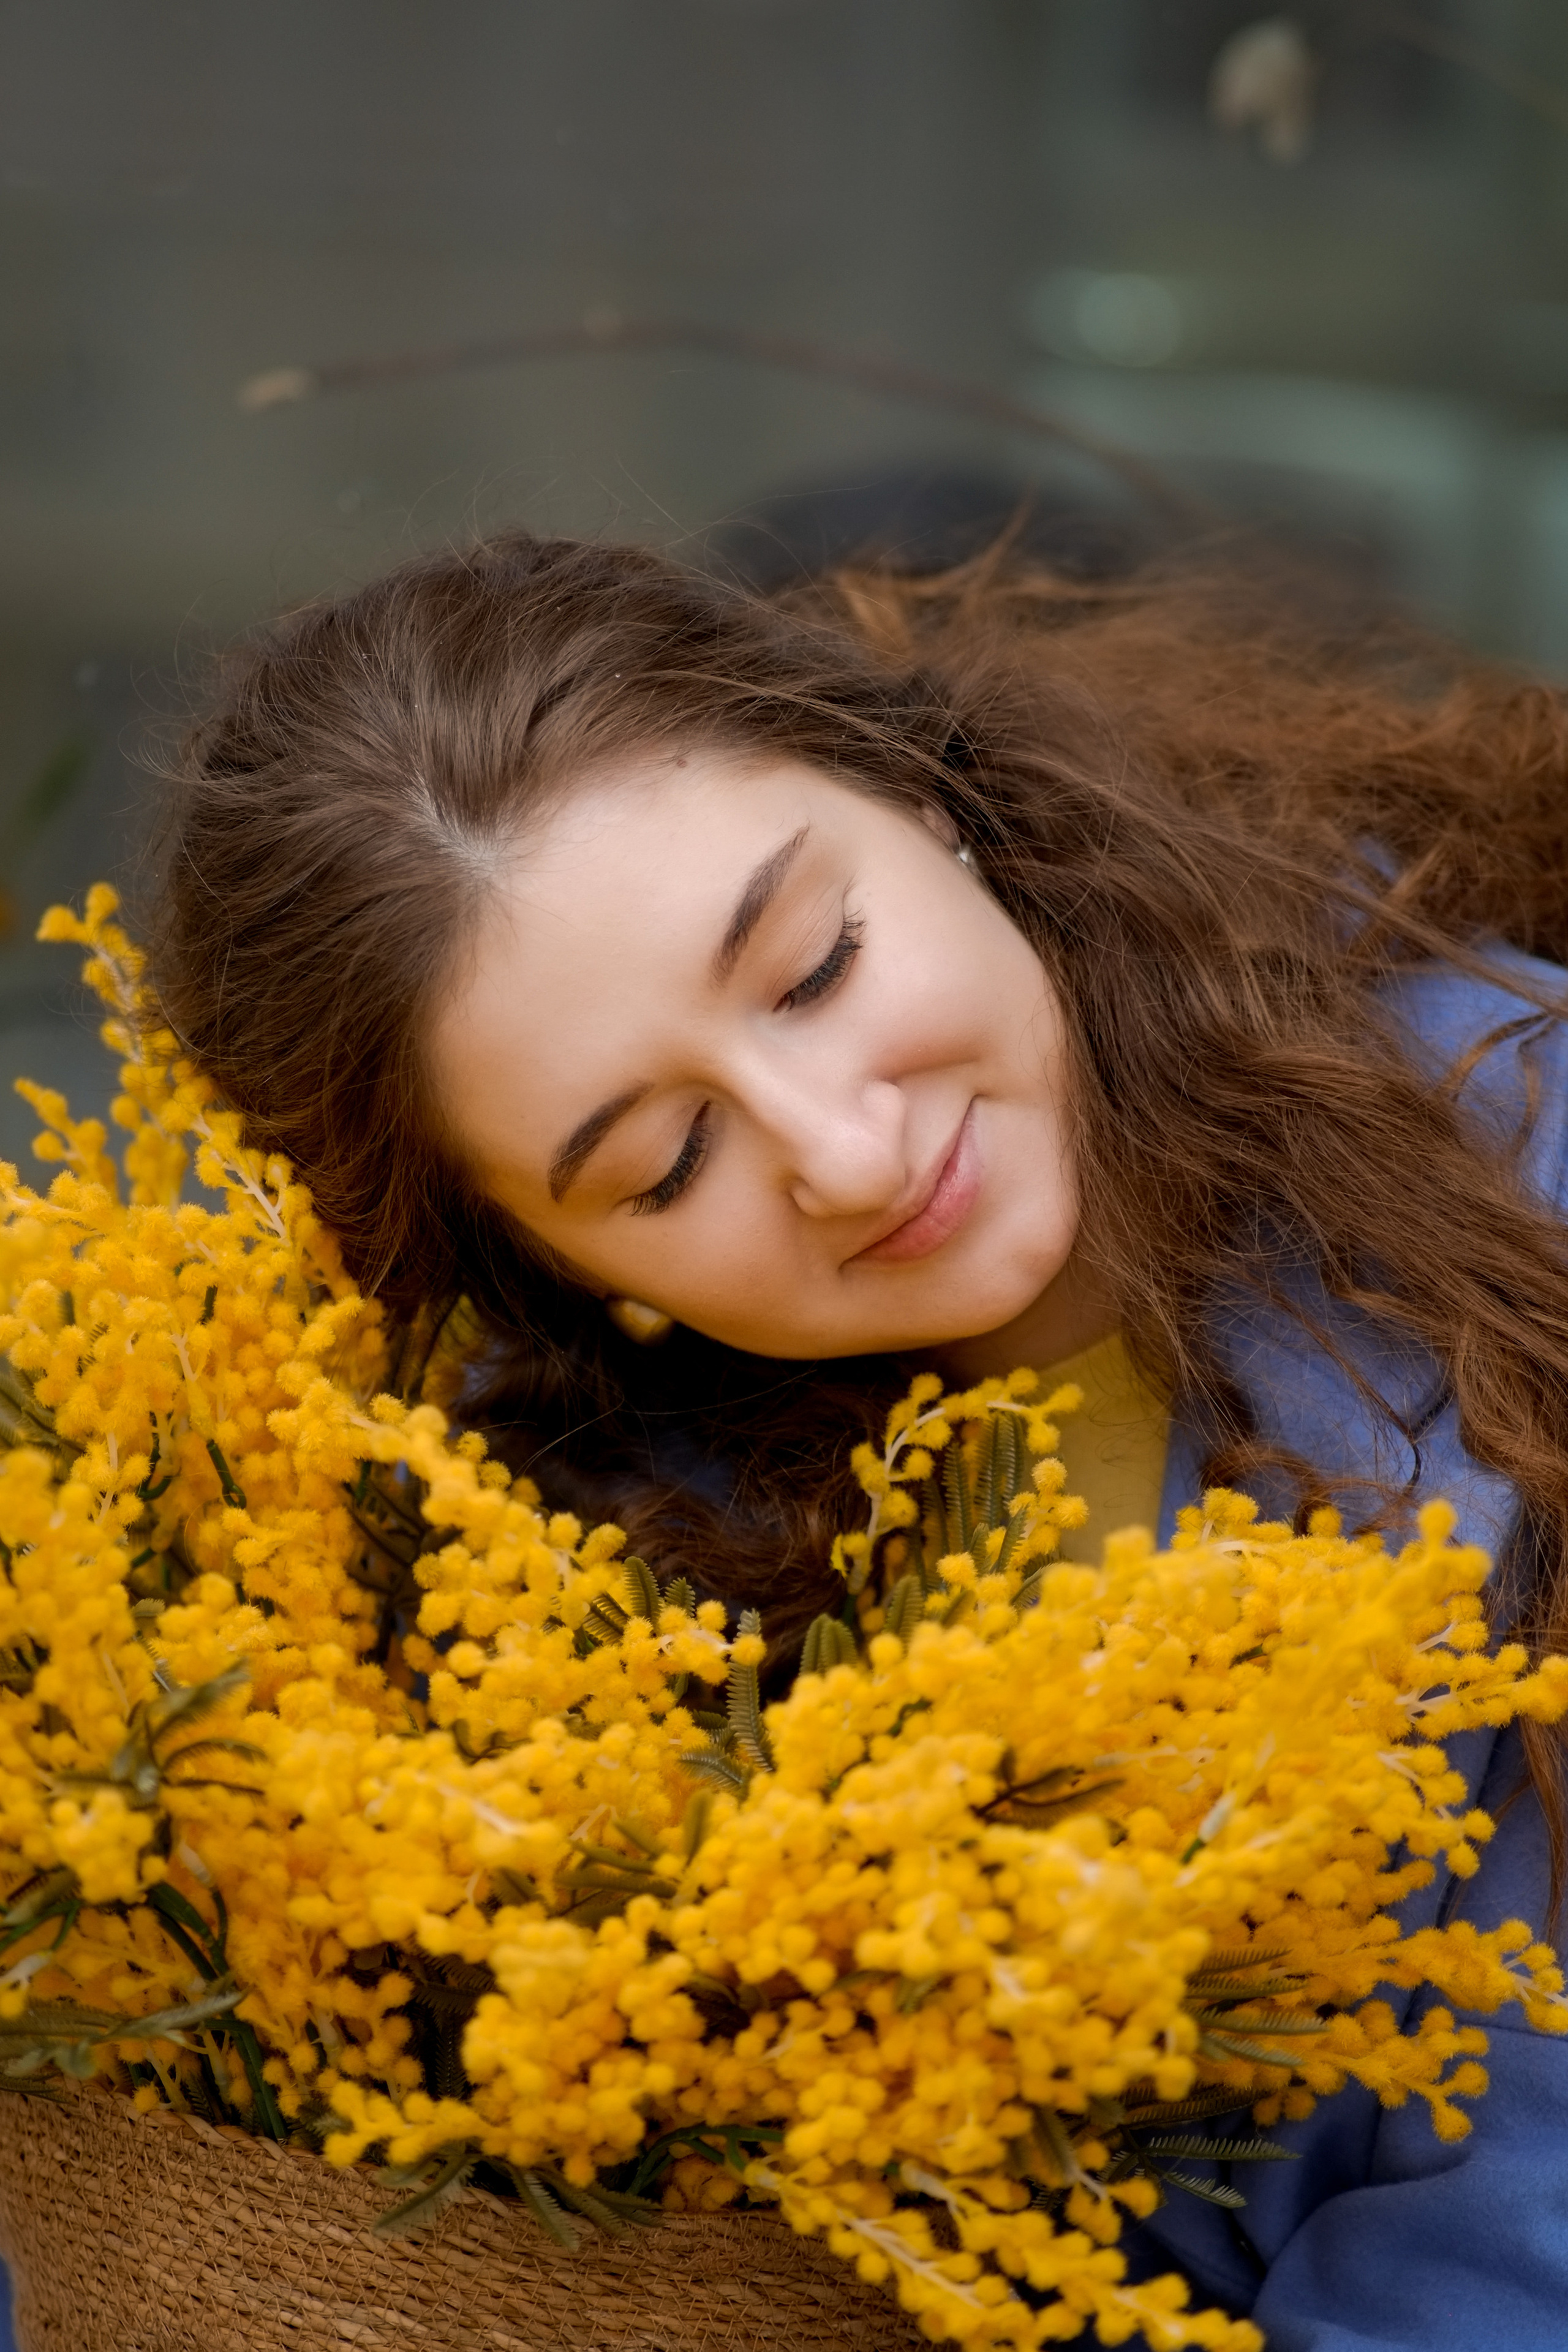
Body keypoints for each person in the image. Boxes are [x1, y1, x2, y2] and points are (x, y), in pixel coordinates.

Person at [151, 527, 1568, 2351]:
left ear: (925, 795)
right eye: (665, 1164)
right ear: (553, 1275)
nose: (844, 1150)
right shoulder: (570, 1600)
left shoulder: (1521, 1227)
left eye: (816, 967)